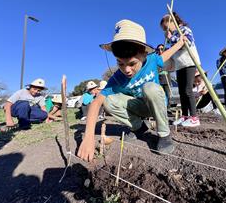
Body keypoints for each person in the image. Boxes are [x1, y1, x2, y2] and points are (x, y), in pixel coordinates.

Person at [78, 19, 186, 161]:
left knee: (150, 88)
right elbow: (97, 102)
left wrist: (179, 43)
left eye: (132, 63)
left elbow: (165, 56)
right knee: (109, 100)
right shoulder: (117, 78)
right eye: (120, 63)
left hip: (156, 103)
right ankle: (139, 128)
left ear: (144, 54)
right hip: (139, 107)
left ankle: (164, 134)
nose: (126, 70)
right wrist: (88, 137)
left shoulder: (152, 59)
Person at [160, 12, 201, 127]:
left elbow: (186, 42)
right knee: (182, 92)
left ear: (173, 22)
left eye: (166, 27)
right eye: (163, 29)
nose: (165, 31)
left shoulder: (184, 29)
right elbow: (174, 50)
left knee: (188, 90)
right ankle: (185, 116)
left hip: (189, 62)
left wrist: (170, 38)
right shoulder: (173, 36)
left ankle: (194, 117)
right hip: (179, 65)